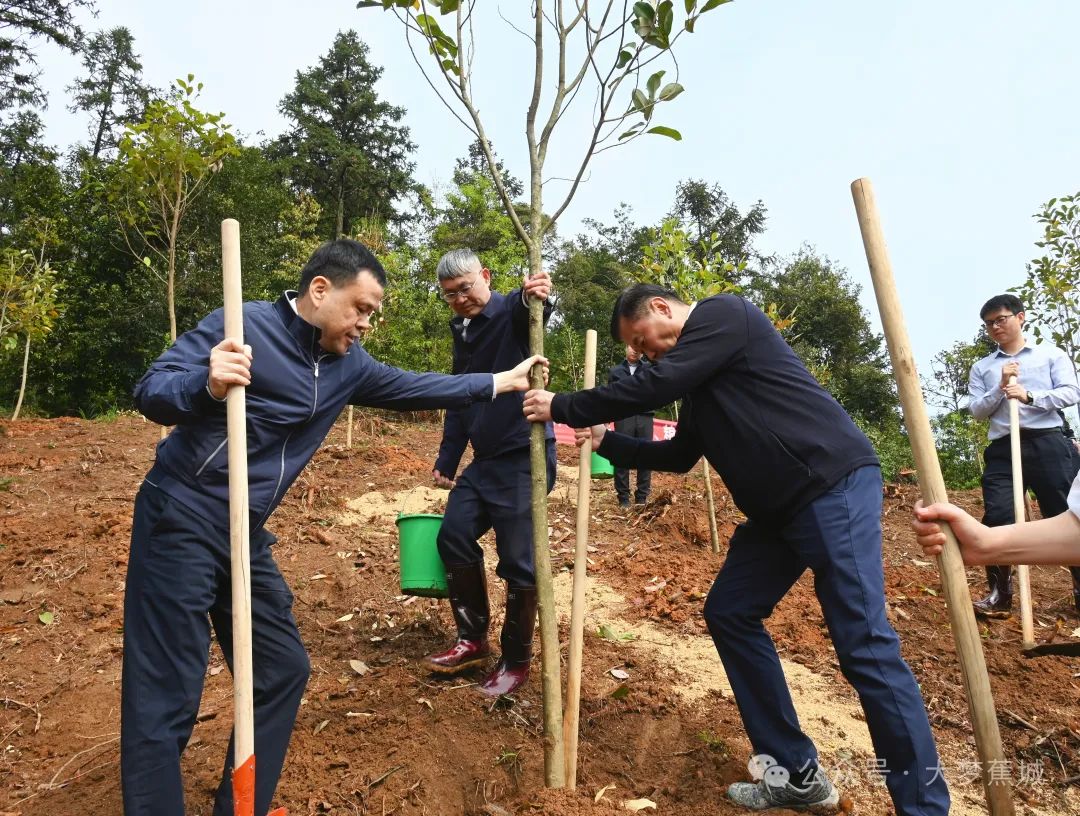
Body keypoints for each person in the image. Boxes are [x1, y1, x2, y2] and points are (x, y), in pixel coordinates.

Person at [124, 239, 545, 816]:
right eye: (362, 308)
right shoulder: (242, 326)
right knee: (168, 683)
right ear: (320, 291)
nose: (367, 323)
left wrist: (502, 381)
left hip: (243, 530)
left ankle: (241, 806)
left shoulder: (348, 365)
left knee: (282, 668)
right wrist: (207, 382)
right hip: (183, 514)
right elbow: (152, 390)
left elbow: (417, 386)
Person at [522, 285, 949, 815]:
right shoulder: (702, 378)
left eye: (641, 340)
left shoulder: (727, 314)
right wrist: (605, 440)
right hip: (777, 514)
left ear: (659, 308)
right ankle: (796, 775)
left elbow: (658, 382)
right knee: (730, 612)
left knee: (864, 644)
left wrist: (559, 405)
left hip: (830, 485)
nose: (644, 353)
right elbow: (679, 455)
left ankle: (924, 807)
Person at [424, 249, 556, 696]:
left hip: (524, 456)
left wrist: (536, 296)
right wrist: (447, 459)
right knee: (452, 536)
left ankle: (516, 660)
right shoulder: (461, 330)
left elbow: (529, 313)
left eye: (466, 288)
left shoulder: (510, 312)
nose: (460, 299)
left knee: (520, 563)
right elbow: (461, 395)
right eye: (450, 295)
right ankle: (472, 639)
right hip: (485, 462)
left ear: (485, 275)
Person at [965, 294, 1080, 617]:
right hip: (1003, 448)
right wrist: (999, 387)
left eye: (1001, 319)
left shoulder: (1049, 355)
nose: (995, 327)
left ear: (1020, 317)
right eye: (989, 324)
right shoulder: (983, 367)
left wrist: (1029, 395)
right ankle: (999, 594)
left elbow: (1072, 391)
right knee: (998, 514)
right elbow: (976, 410)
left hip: (1048, 442)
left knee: (1065, 514)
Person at [912, 476, 1080, 567]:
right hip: (1001, 442)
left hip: (1046, 437)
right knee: (998, 512)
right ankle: (1000, 593)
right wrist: (983, 543)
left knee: (1056, 500)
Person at [608, 345, 654, 507]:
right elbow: (610, 396)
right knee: (621, 455)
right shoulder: (615, 372)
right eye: (632, 347)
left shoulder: (649, 368)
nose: (635, 350)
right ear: (626, 347)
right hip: (623, 416)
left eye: (639, 348)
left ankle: (641, 497)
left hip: (645, 416)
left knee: (646, 456)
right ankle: (623, 498)